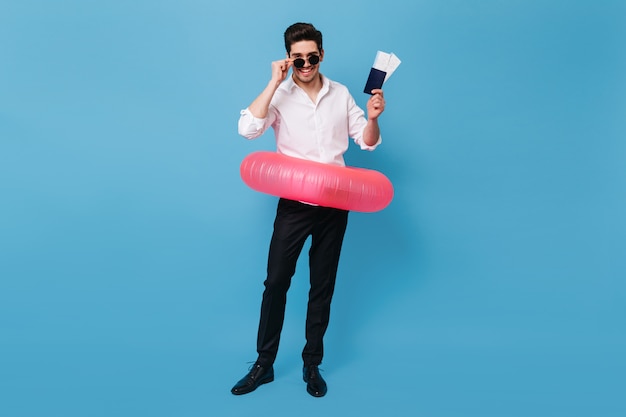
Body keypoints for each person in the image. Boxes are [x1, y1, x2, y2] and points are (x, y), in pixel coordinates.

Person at [231, 22, 386, 398]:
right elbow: (247, 129)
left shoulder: (341, 94)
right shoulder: (280, 96)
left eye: (311, 56)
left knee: (322, 285)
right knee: (276, 283)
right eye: (297, 58)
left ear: (322, 54)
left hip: (335, 203)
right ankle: (263, 365)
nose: (305, 64)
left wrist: (374, 117)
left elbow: (366, 143)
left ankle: (311, 364)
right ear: (289, 58)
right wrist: (273, 81)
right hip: (295, 205)